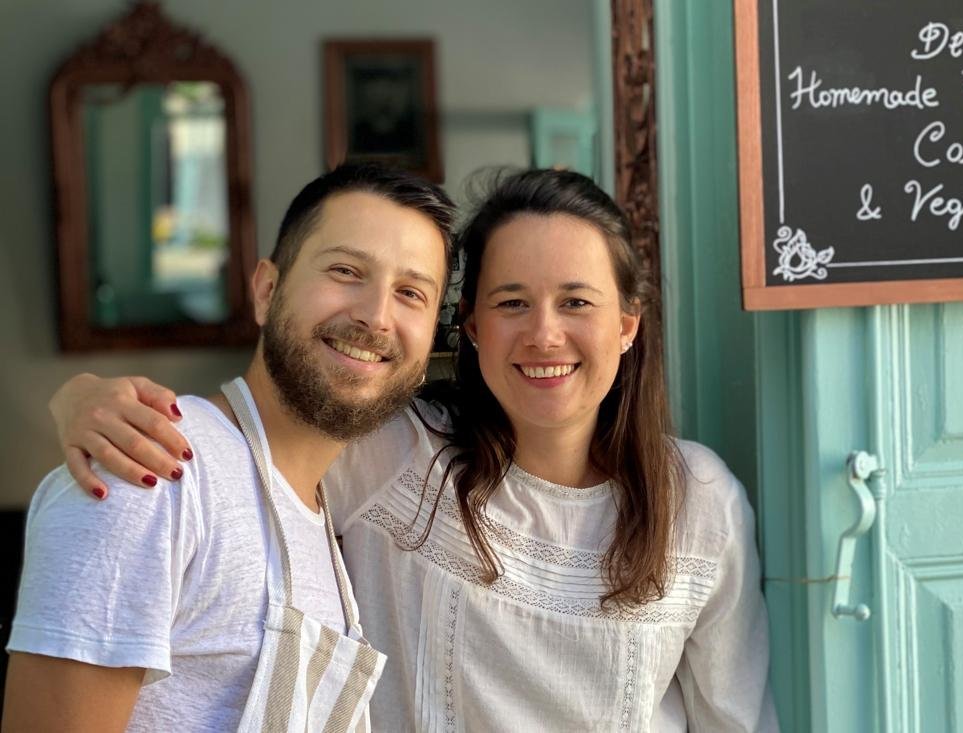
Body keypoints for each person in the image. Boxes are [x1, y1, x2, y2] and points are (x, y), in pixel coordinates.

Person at [46, 169, 778, 731]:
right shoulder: (397, 450)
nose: (544, 334)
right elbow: (268, 433)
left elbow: (734, 718)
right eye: (512, 302)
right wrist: (83, 397)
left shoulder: (699, 501)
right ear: (471, 329)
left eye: (577, 302)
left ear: (627, 325)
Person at [4, 162, 454, 731]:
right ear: (266, 291)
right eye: (345, 270)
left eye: (411, 293)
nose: (376, 316)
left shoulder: (327, 503)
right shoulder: (153, 470)